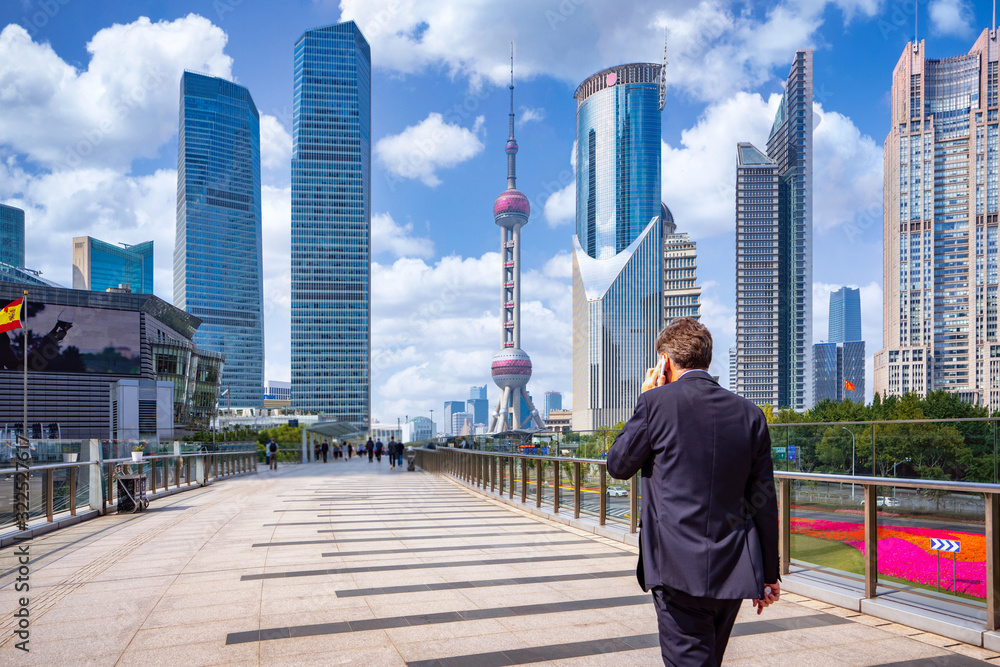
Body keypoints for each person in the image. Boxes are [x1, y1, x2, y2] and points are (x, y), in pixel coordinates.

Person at [607, 317, 779, 667]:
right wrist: (769, 573)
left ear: (665, 362)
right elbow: (764, 500)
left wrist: (647, 398)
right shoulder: (750, 414)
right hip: (733, 569)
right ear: (707, 359)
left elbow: (618, 465)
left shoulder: (655, 404)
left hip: (675, 571)